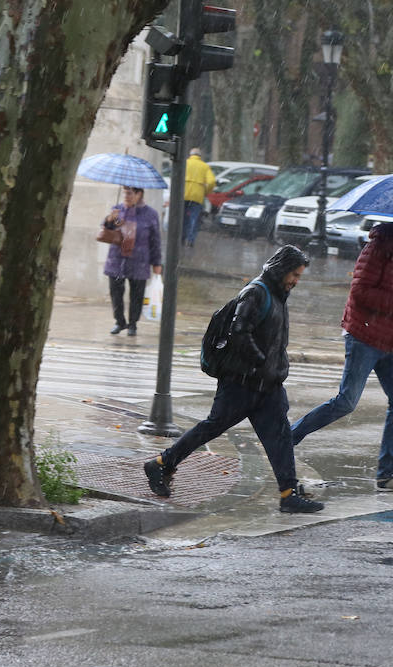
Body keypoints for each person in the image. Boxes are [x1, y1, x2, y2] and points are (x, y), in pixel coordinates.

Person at [143, 245, 323, 514]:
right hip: (242, 383)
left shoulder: (278, 293)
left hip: (268, 386)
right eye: (294, 275)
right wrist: (261, 361)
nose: (296, 281)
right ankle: (161, 463)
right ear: (283, 269)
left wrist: (275, 366)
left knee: (281, 437)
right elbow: (239, 331)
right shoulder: (256, 292)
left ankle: (288, 494)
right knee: (212, 427)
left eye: (299, 276)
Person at [291, 216, 393, 490]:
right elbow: (359, 292)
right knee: (346, 402)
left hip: (389, 341)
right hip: (365, 336)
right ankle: (287, 437)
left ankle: (387, 472)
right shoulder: (378, 250)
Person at [102, 186, 163, 337]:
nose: (126, 196)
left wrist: (157, 263)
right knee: (116, 293)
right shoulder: (117, 210)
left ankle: (133, 324)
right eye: (125, 193)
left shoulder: (150, 214)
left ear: (139, 194)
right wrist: (109, 220)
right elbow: (107, 230)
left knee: (137, 295)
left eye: (129, 193)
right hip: (117, 260)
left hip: (140, 261)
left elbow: (155, 241)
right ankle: (119, 321)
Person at [180, 148, 215, 247]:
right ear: (200, 156)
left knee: (182, 218)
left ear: (190, 155)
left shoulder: (185, 163)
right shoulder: (204, 167)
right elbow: (211, 181)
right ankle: (191, 240)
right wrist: (206, 191)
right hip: (197, 197)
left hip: (183, 195)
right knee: (194, 219)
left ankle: (181, 238)